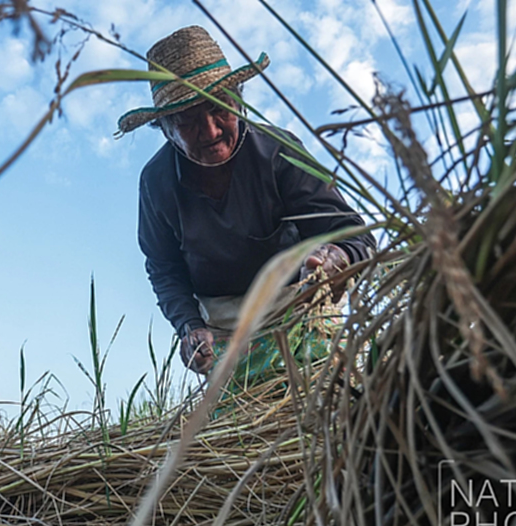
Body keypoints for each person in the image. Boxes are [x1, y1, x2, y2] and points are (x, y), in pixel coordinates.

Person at [117, 26, 375, 376]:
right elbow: (163, 267)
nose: (211, 131)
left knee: (330, 389)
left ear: (239, 101)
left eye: (220, 107)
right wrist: (190, 326)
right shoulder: (156, 183)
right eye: (188, 121)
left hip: (299, 302)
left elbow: (352, 234)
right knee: (238, 410)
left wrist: (336, 258)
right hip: (224, 325)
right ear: (166, 129)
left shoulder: (279, 151)